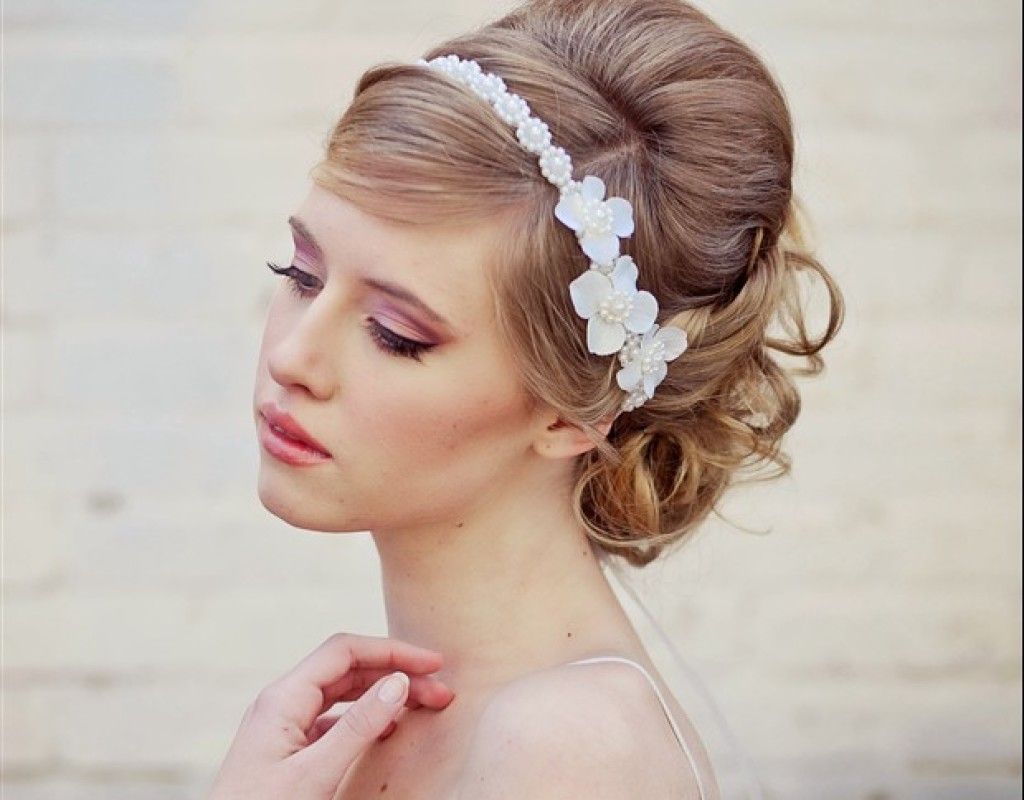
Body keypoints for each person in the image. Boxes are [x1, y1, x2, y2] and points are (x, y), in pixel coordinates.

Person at [208, 0, 845, 798]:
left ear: (570, 412)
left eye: (396, 335)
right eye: (301, 275)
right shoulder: (366, 736)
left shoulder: (569, 747)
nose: (292, 357)